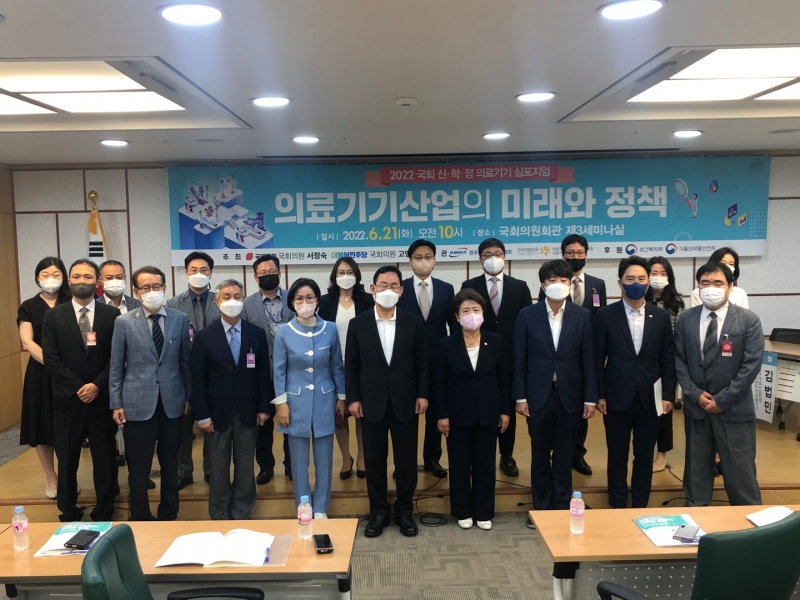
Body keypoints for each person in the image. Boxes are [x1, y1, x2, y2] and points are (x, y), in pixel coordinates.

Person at [346, 266, 429, 538]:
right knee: (374, 461)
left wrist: (423, 394)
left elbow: (422, 363)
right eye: (383, 285)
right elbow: (352, 366)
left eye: (394, 286)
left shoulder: (413, 322)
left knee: (406, 461)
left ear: (401, 291)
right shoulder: (358, 324)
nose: (388, 290)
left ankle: (404, 511)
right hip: (371, 402)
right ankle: (378, 512)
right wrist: (353, 398)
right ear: (373, 289)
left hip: (406, 401)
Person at [675, 261, 764, 506]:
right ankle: (695, 514)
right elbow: (679, 361)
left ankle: (748, 520)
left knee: (740, 474)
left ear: (730, 287)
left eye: (718, 283)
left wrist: (723, 399)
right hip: (697, 409)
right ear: (698, 287)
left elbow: (751, 365)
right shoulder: (686, 319)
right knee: (696, 472)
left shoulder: (748, 320)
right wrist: (694, 394)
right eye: (705, 283)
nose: (711, 288)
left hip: (734, 409)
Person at [515, 260, 596, 517]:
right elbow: (519, 358)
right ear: (543, 285)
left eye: (563, 280)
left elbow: (589, 360)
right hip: (537, 396)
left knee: (563, 456)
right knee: (539, 455)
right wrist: (520, 396)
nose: (558, 284)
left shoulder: (582, 316)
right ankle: (540, 508)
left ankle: (561, 507)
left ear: (570, 284)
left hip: (570, 396)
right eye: (552, 280)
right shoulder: (527, 314)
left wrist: (590, 398)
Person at [110, 266, 192, 521]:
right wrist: (116, 403)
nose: (152, 291)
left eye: (156, 286)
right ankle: (140, 516)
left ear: (164, 288)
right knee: (139, 467)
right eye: (145, 287)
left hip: (172, 402)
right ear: (136, 291)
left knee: (170, 464)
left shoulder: (179, 319)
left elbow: (185, 363)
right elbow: (116, 366)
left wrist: (188, 397)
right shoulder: (124, 322)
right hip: (136, 404)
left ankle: (169, 513)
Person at [595, 256, 676, 509]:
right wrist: (599, 394)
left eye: (642, 278)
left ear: (648, 282)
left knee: (644, 455)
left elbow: (668, 359)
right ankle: (617, 504)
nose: (636, 283)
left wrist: (668, 395)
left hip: (651, 397)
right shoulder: (605, 315)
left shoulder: (660, 316)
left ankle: (640, 504)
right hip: (615, 395)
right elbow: (597, 358)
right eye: (630, 279)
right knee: (617, 455)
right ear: (620, 283)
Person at [42, 259, 120, 522]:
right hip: (68, 400)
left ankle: (104, 509)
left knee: (105, 458)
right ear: (69, 281)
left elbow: (116, 358)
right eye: (76, 276)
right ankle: (68, 510)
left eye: (88, 277)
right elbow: (52, 359)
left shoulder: (112, 315)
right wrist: (79, 388)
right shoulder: (54, 316)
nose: (81, 281)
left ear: (97, 282)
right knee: (66, 460)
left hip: (101, 399)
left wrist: (97, 385)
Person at [191, 279, 273, 520]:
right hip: (216, 415)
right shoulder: (205, 337)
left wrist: (263, 407)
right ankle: (219, 511)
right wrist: (202, 415)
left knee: (245, 465)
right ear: (217, 302)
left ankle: (242, 508)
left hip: (249, 412)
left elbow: (263, 374)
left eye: (237, 296)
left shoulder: (256, 334)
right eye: (226, 297)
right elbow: (198, 380)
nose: (232, 301)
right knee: (218, 468)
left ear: (243, 300)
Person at [434, 289, 509, 530]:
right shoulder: (446, 344)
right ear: (457, 317)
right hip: (457, 414)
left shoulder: (495, 341)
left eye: (476, 310)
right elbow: (439, 383)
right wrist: (442, 415)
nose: (471, 315)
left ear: (483, 313)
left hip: (488, 412)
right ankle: (463, 511)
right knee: (459, 464)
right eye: (465, 311)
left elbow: (503, 379)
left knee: (485, 464)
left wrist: (505, 411)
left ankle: (484, 511)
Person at [273, 278, 346, 519]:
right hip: (294, 405)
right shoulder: (284, 331)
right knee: (299, 462)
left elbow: (336, 366)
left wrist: (341, 398)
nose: (305, 303)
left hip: (325, 401)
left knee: (324, 460)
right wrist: (281, 403)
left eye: (309, 298)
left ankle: (321, 507)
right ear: (292, 302)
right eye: (299, 298)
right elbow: (279, 371)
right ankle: (303, 507)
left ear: (317, 300)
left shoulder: (330, 329)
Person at [462, 237, 531, 478]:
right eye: (487, 254)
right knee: (480, 404)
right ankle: (479, 456)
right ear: (480, 259)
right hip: (479, 357)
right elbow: (463, 320)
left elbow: (527, 324)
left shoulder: (520, 286)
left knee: (507, 407)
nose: (493, 258)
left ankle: (507, 455)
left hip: (511, 357)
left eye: (497, 254)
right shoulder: (469, 285)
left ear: (504, 256)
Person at [538, 234, 607, 477]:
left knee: (580, 411)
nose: (575, 256)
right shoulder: (552, 283)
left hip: (585, 353)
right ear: (563, 254)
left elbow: (600, 319)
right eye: (570, 253)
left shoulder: (598, 284)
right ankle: (554, 455)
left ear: (586, 254)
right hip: (558, 353)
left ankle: (577, 454)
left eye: (579, 252)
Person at [398, 239, 457, 480]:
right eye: (418, 257)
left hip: (437, 361)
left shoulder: (446, 289)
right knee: (406, 416)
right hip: (406, 363)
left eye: (428, 257)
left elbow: (453, 327)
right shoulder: (400, 288)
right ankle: (405, 463)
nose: (424, 261)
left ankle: (432, 459)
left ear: (435, 260)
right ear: (410, 261)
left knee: (435, 413)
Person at [18, 257, 71, 499]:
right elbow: (27, 341)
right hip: (40, 373)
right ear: (37, 278)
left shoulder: (71, 301)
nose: (51, 279)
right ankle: (52, 478)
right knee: (42, 425)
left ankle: (68, 478)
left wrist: (65, 369)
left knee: (67, 428)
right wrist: (53, 364)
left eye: (56, 274)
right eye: (45, 274)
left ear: (64, 277)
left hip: (70, 373)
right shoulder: (29, 306)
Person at [166, 251, 219, 489]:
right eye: (194, 270)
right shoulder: (172, 304)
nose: (199, 274)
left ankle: (211, 470)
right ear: (186, 273)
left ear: (211, 273)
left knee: (212, 427)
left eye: (204, 270)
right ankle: (183, 471)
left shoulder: (221, 300)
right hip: (183, 374)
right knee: (183, 428)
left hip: (214, 374)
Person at [317, 257, 373, 480]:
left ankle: (362, 457)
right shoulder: (326, 301)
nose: (345, 276)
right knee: (339, 413)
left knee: (361, 413)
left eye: (350, 272)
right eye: (341, 272)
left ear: (357, 275)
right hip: (334, 366)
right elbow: (321, 333)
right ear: (334, 276)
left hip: (362, 365)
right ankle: (346, 458)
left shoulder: (367, 300)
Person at [242, 254, 294, 484]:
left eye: (272, 272)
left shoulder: (294, 298)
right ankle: (266, 466)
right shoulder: (247, 304)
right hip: (260, 374)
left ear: (279, 273)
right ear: (255, 277)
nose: (268, 276)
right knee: (262, 422)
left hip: (291, 372)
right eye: (263, 273)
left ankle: (291, 464)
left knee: (291, 421)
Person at [645, 256, 685, 473]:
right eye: (653, 273)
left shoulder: (676, 304)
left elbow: (679, 338)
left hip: (667, 364)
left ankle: (662, 454)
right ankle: (644, 451)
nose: (658, 277)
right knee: (644, 412)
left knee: (664, 411)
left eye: (663, 273)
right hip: (644, 365)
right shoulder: (639, 298)